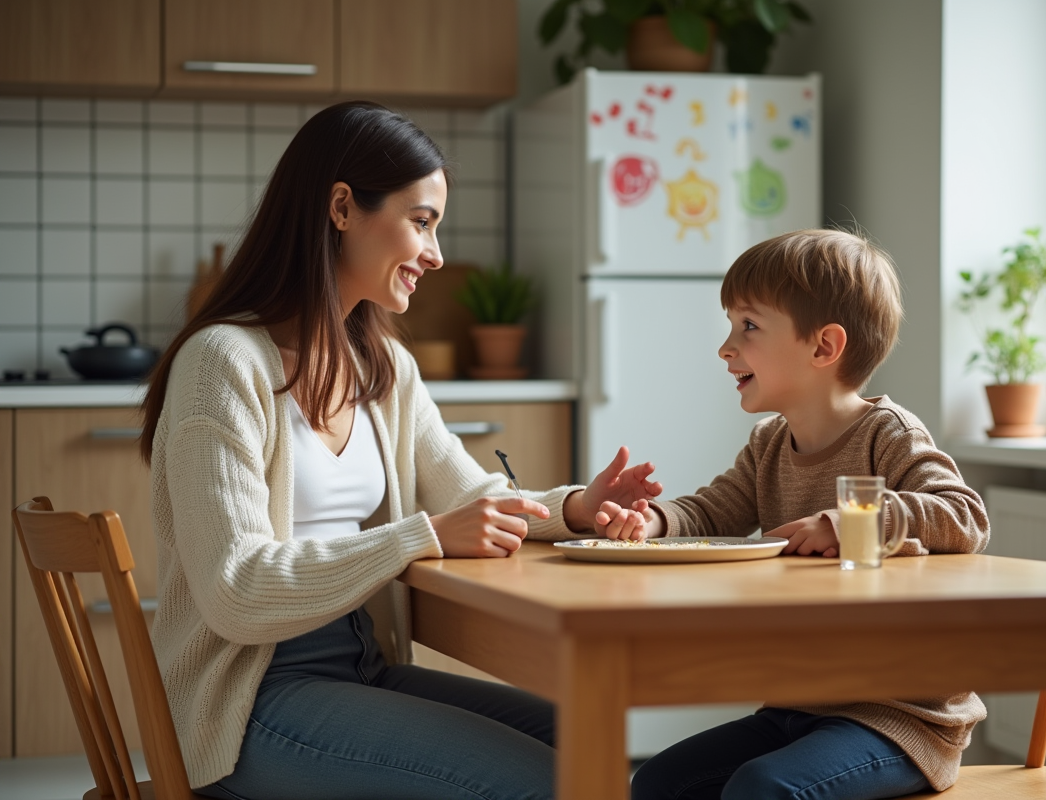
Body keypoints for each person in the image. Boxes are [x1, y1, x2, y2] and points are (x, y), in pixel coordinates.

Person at [139, 100, 658, 800]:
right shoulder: (222, 361)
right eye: (421, 222)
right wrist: (421, 536)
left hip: (358, 666)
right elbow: (236, 590)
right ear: (342, 208)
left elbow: (468, 497)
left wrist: (572, 510)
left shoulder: (381, 366)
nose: (436, 254)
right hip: (245, 703)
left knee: (592, 745)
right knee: (549, 784)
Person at [596, 229, 991, 800]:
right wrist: (651, 522)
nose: (726, 347)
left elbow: (964, 515)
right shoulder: (769, 444)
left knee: (763, 788)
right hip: (798, 705)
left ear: (824, 347)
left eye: (748, 327)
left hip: (899, 718)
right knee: (658, 783)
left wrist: (849, 520)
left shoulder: (888, 434)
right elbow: (710, 513)